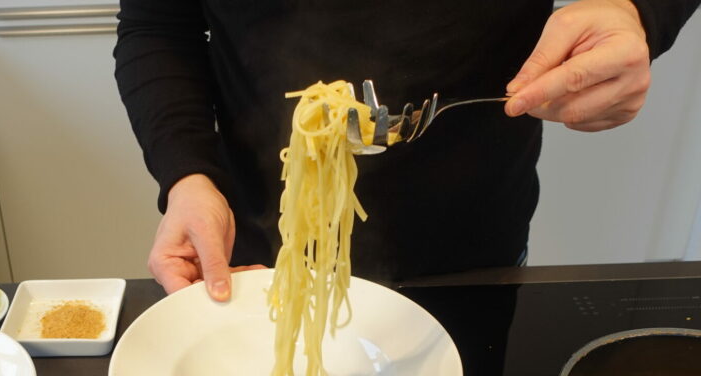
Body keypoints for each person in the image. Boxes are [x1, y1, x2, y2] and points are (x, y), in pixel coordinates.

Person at [114, 0, 700, 299]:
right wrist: (188, 177)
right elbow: (159, 25)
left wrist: (638, 13)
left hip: (472, 252)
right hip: (262, 251)